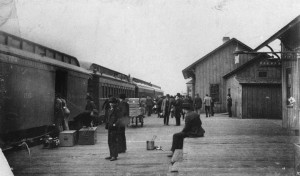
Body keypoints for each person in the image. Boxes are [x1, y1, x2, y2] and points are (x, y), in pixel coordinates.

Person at [105, 97, 122, 161]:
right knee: (109, 141)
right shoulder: (109, 109)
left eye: (112, 103)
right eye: (110, 103)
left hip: (114, 128)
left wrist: (115, 124)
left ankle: (114, 156)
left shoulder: (117, 109)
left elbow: (119, 119)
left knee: (114, 141)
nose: (111, 104)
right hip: (110, 127)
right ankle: (111, 154)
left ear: (115, 103)